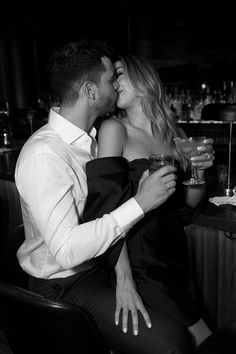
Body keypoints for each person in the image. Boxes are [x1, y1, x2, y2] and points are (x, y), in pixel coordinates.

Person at [14, 40, 193, 354]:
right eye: (112, 79)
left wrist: (124, 276)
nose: (116, 85)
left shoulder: (95, 141)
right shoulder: (44, 155)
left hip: (102, 269)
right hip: (65, 283)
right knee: (174, 344)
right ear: (90, 91)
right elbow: (68, 251)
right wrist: (141, 202)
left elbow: (104, 208)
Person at [88, 55, 215, 350]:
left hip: (175, 260)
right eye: (112, 77)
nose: (113, 82)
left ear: (145, 79)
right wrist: (124, 279)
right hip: (139, 261)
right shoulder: (114, 130)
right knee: (200, 341)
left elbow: (185, 207)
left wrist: (198, 171)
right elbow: (104, 211)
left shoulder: (175, 136)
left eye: (119, 74)